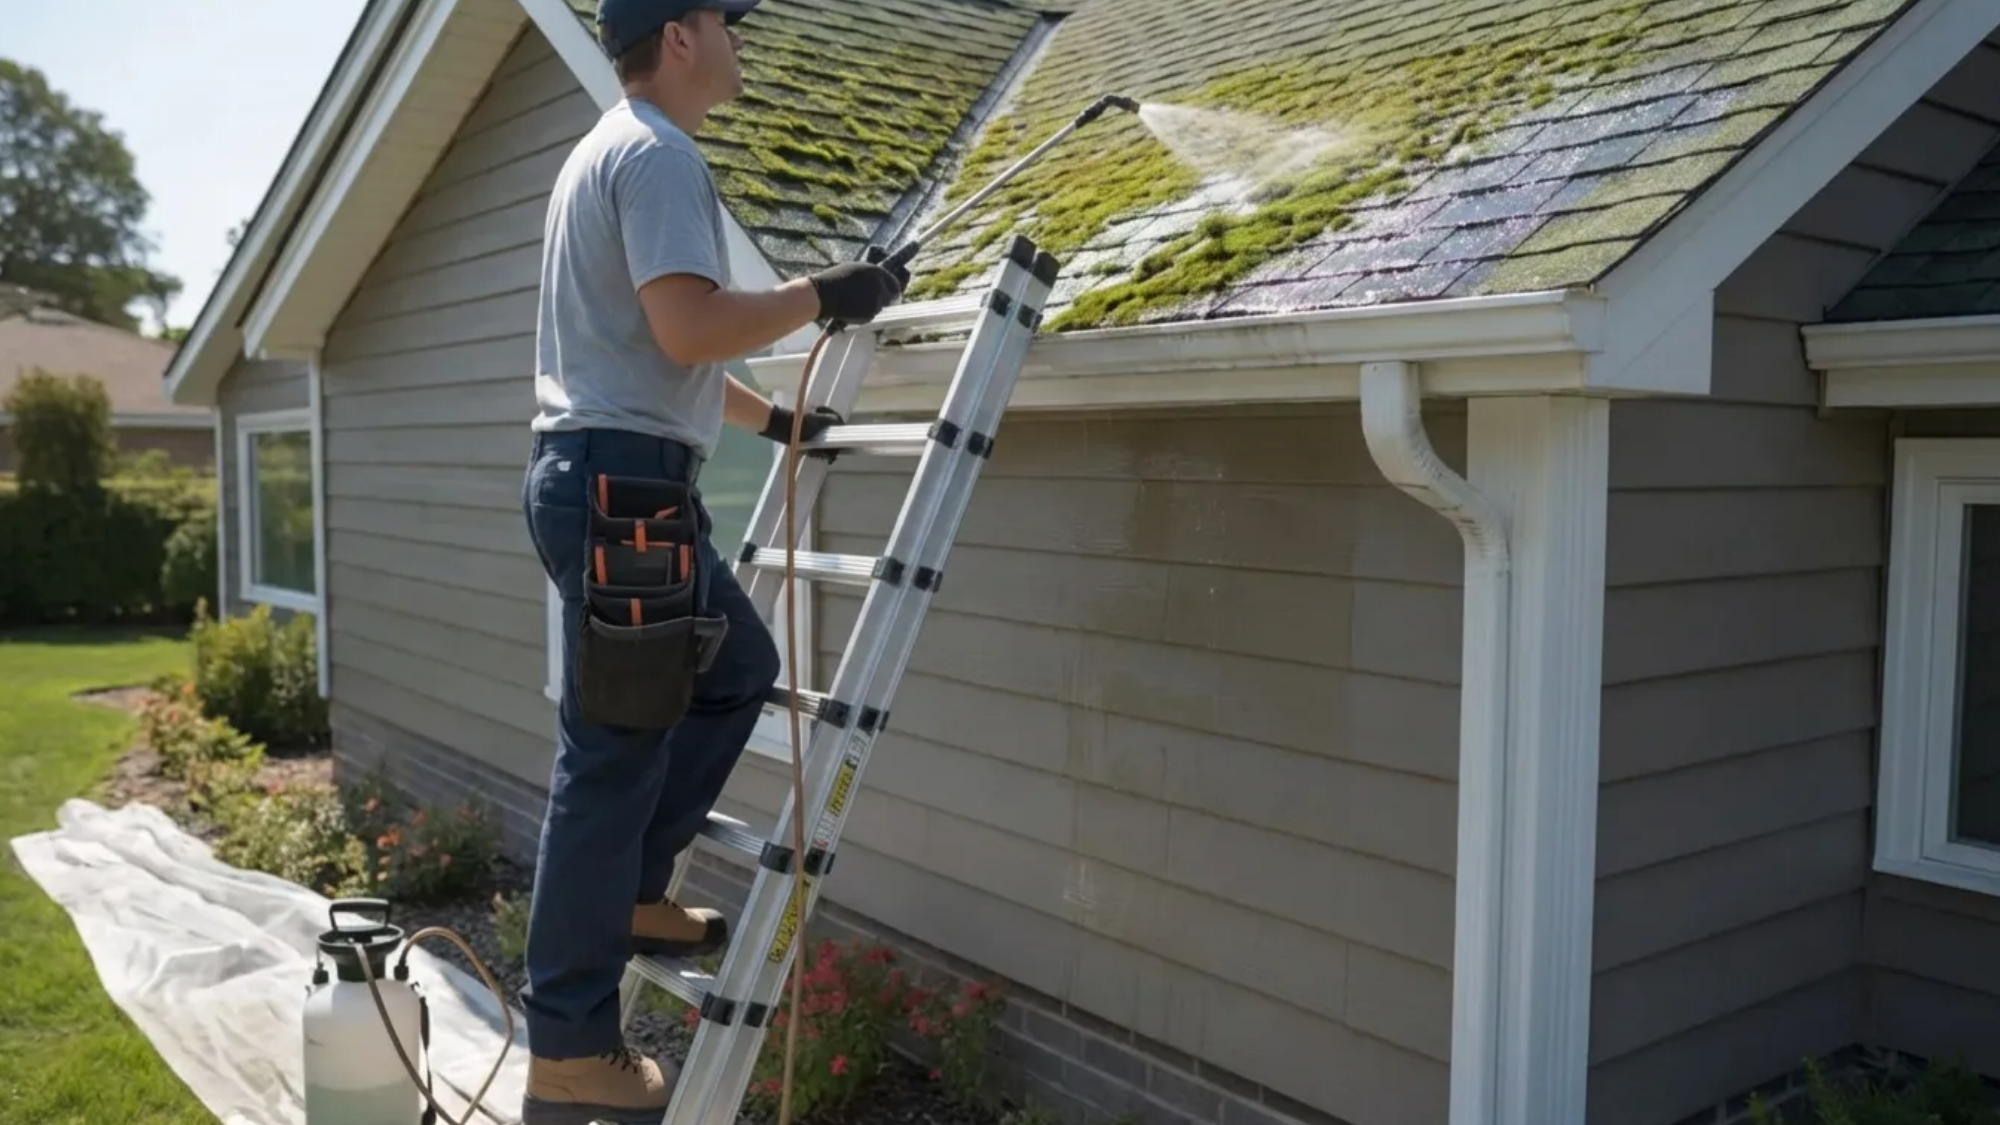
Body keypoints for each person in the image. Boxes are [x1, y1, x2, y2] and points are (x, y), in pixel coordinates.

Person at [516, 0, 907, 1119]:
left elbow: (652, 347)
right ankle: (571, 1044)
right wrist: (820, 297)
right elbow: (688, 326)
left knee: (735, 670)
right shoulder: (657, 156)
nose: (743, 40)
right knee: (608, 762)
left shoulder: (608, 153)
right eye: (727, 22)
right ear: (678, 35)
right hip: (621, 494)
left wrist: (768, 423)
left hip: (611, 481)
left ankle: (636, 892)